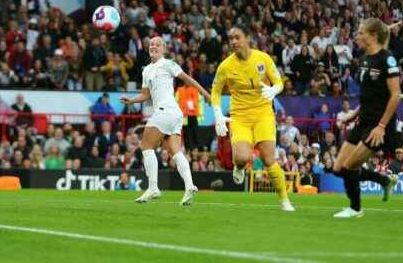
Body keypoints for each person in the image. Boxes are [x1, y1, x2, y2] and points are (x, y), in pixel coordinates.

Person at [211, 25, 294, 212]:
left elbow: (279, 81)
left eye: (237, 37)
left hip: (263, 114)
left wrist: (274, 89)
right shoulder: (225, 66)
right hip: (240, 117)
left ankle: (284, 200)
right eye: (230, 39)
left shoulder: (263, 58)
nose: (233, 42)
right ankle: (238, 166)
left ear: (247, 38)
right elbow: (215, 91)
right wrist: (217, 115)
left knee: (268, 159)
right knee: (242, 157)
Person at [121, 36, 211, 206]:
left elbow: (187, 79)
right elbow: (146, 95)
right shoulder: (146, 70)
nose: (153, 46)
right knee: (175, 151)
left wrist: (205, 93)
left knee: (146, 146)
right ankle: (189, 186)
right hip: (174, 115)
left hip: (165, 111)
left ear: (163, 49)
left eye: (157, 44)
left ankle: (153, 187)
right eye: (151, 44)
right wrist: (132, 101)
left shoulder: (168, 64)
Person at [331, 18, 400, 218]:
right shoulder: (363, 59)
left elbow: (395, 96)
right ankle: (383, 181)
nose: (357, 36)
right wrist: (353, 114)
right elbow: (369, 95)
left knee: (349, 167)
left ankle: (355, 208)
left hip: (378, 125)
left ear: (372, 36)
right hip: (362, 121)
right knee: (338, 168)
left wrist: (381, 126)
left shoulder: (387, 59)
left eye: (361, 33)